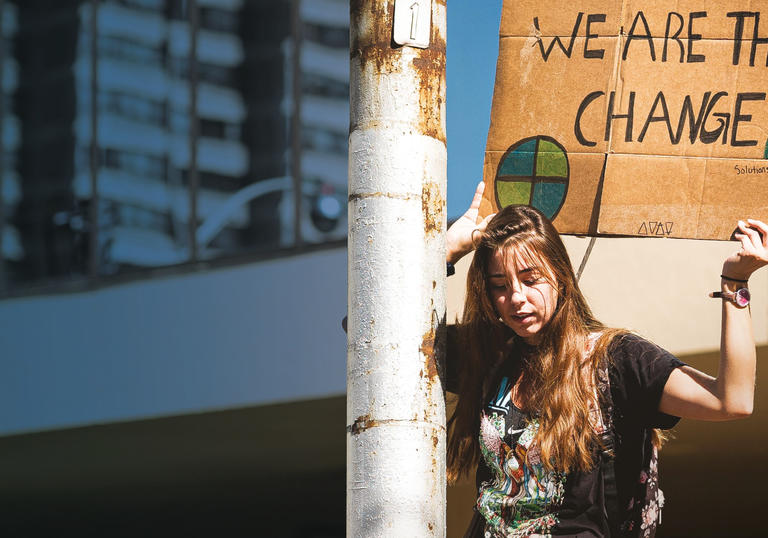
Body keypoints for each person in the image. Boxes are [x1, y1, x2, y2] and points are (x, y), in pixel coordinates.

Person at [444, 182, 768, 537]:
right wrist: (446, 251)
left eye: (530, 279)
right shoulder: (488, 354)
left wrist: (735, 282)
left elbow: (731, 400)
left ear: (560, 276)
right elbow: (389, 345)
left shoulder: (614, 359)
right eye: (500, 286)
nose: (516, 297)